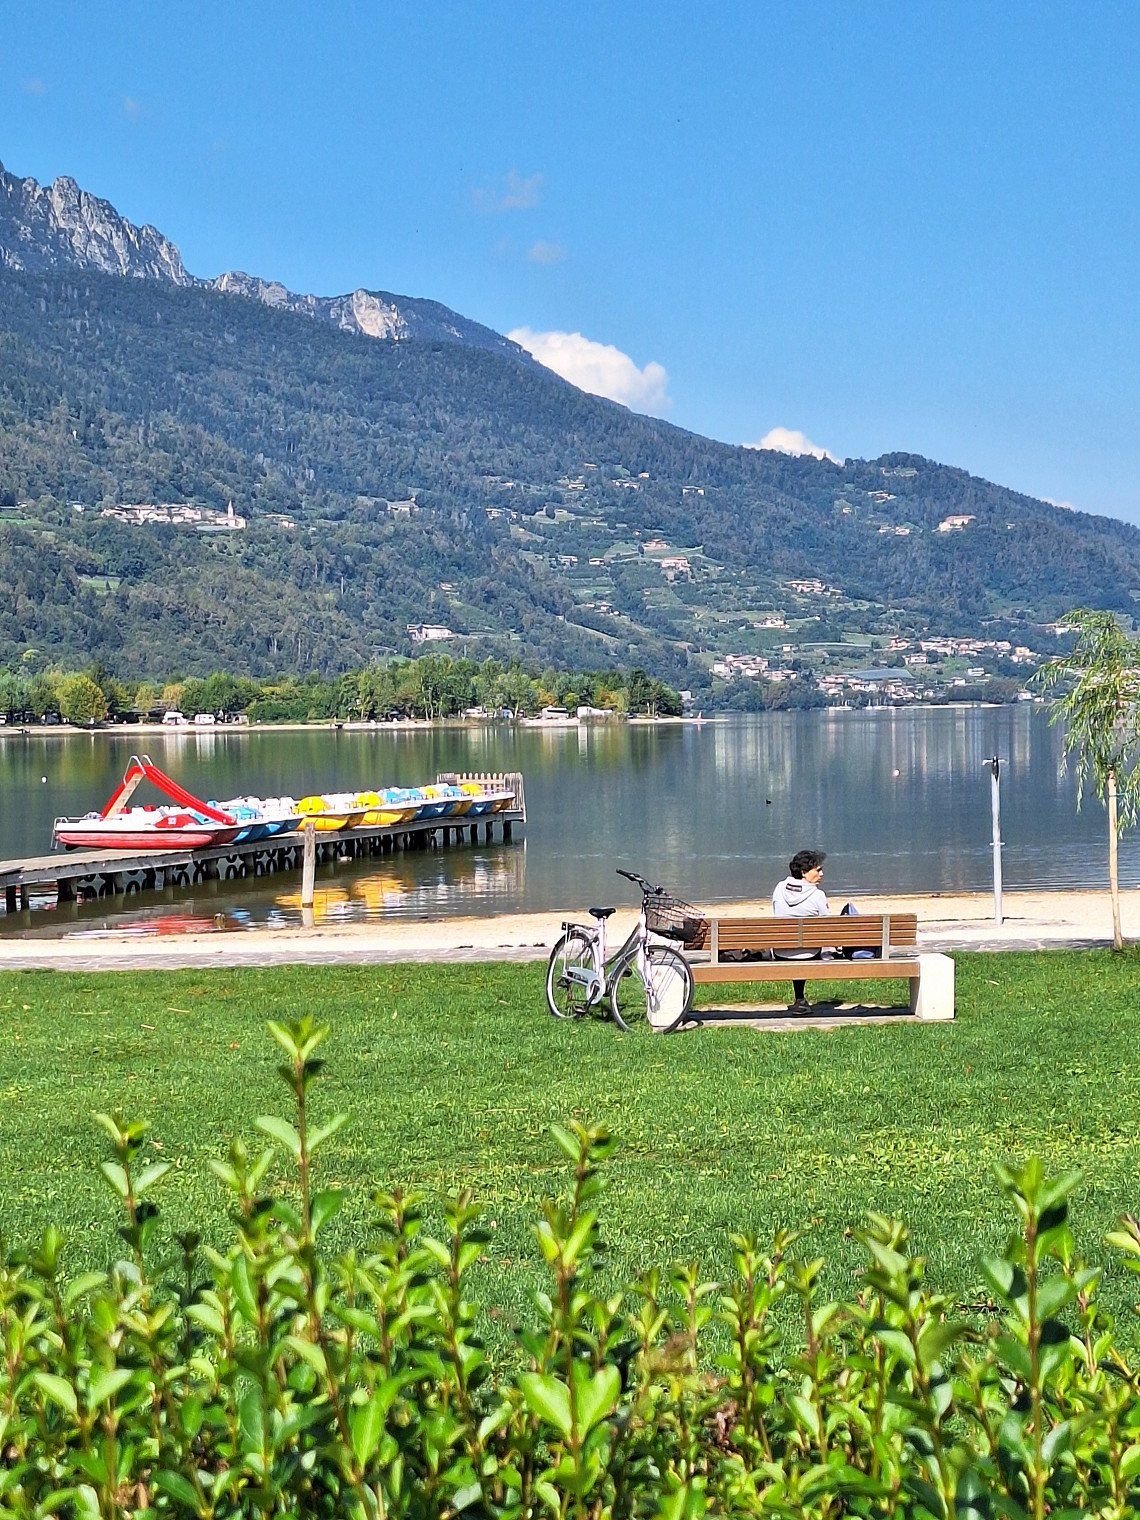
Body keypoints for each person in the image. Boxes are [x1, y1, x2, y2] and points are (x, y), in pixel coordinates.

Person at [772, 848, 829, 1014]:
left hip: (781, 951)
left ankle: (799, 998)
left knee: (798, 947)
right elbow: (826, 927)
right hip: (809, 952)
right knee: (804, 949)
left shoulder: (779, 888)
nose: (822, 874)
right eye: (818, 870)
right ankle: (800, 999)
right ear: (804, 872)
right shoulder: (818, 895)